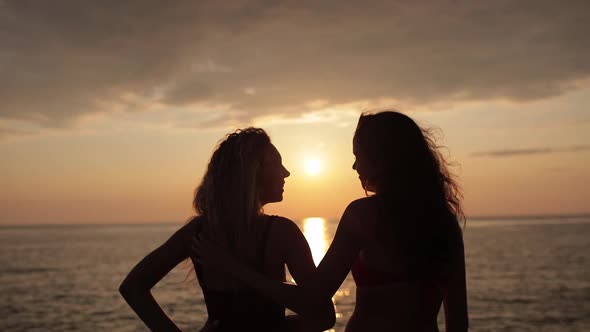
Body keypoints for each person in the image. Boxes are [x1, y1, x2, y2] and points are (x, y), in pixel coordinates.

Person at [195, 111, 469, 331]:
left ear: (382, 159)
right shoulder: (444, 222)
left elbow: (313, 299)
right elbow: (458, 320)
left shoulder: (363, 215)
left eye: (357, 156)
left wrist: (233, 268)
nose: (354, 167)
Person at [119, 128, 335, 332]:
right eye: (277, 164)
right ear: (252, 173)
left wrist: (233, 268)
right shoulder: (281, 233)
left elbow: (134, 287)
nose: (286, 172)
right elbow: (322, 315)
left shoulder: (200, 232)